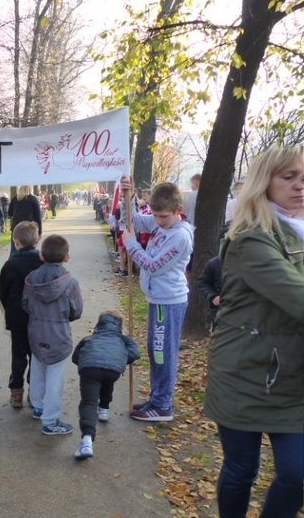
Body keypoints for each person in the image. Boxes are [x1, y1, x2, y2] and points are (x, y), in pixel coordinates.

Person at [204, 145, 304, 518]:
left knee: (297, 472)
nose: (300, 185)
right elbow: (296, 296)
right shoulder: (251, 239)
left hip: (294, 376)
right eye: (288, 177)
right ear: (265, 182)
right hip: (244, 372)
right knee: (241, 471)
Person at [120, 180, 194, 421]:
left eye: (164, 216)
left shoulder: (180, 237)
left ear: (177, 210)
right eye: (155, 215)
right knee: (156, 351)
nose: (158, 221)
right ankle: (157, 397)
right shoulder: (161, 224)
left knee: (163, 352)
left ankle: (163, 405)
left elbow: (152, 265)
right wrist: (127, 197)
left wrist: (131, 244)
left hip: (169, 301)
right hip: (158, 298)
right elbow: (132, 221)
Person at [22, 235, 83, 435]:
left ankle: (39, 406)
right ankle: (50, 420)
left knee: (38, 369)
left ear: (42, 256)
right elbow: (76, 310)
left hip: (36, 330)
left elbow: (25, 304)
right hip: (59, 334)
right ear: (67, 257)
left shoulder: (31, 278)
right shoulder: (70, 282)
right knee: (55, 378)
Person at [71, 310, 140, 459]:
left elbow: (75, 357)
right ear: (120, 325)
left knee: (89, 402)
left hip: (89, 369)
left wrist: (86, 362)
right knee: (107, 379)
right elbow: (135, 354)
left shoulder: (88, 339)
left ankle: (87, 440)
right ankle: (104, 409)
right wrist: (119, 358)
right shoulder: (124, 340)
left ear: (99, 323)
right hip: (113, 371)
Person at [0, 221, 43, 409]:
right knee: (36, 355)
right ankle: (35, 392)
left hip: (17, 316)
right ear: (37, 238)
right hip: (39, 316)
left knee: (18, 354)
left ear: (16, 241)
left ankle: (16, 392)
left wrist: (8, 310)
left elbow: (3, 291)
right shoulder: (43, 261)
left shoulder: (11, 264)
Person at [8, 186, 42, 253]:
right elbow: (38, 217)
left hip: (16, 228)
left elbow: (9, 213)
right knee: (29, 250)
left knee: (14, 250)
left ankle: (14, 262)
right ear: (30, 189)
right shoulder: (33, 199)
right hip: (28, 229)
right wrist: (39, 232)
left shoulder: (15, 198)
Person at [197, 255, 222, 333]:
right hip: (221, 312)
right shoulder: (214, 263)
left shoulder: (251, 262)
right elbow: (203, 283)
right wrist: (212, 296)